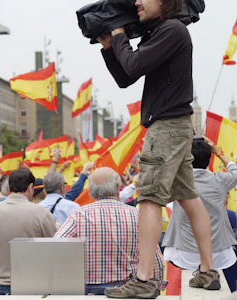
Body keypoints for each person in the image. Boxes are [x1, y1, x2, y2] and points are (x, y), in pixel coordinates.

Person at [98, 0, 219, 297]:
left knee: (149, 197)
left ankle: (144, 278)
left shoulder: (173, 30)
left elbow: (135, 64)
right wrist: (109, 47)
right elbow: (126, 76)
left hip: (165, 126)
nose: (136, 2)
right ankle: (207, 271)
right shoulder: (164, 32)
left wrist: (119, 37)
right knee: (189, 198)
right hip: (175, 125)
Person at [55, 167, 164, 295]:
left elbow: (56, 247)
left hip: (89, 289)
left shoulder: (78, 216)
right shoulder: (137, 215)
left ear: (91, 191)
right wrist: (158, 283)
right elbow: (155, 257)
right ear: (118, 187)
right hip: (129, 289)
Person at [163, 137, 237, 291]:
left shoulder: (175, 181)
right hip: (219, 254)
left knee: (160, 240)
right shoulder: (220, 180)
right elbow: (234, 170)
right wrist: (218, 152)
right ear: (209, 160)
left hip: (184, 254)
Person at [0, 168, 57, 295]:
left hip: (1, 284)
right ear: (30, 187)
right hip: (33, 284)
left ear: (9, 187)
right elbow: (55, 248)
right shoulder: (41, 213)